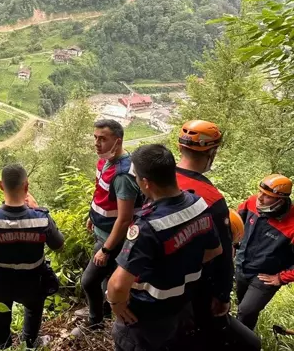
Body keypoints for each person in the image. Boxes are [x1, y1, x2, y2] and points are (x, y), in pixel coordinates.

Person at [107, 144, 223, 351]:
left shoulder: (148, 226)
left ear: (146, 182)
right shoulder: (199, 205)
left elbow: (117, 286)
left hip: (146, 317)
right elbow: (214, 251)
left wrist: (117, 305)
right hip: (182, 305)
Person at [175, 121, 260, 350]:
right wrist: (222, 295)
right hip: (197, 283)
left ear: (180, 147)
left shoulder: (159, 180)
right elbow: (222, 254)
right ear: (212, 151)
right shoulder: (211, 198)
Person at [0, 164, 64, 349]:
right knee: (33, 310)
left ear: (0, 185)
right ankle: (30, 343)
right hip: (32, 282)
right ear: (27, 186)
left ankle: (2, 346)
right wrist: (37, 209)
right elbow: (59, 246)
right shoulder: (41, 218)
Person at [82, 119, 141, 328]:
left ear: (118, 141)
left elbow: (125, 218)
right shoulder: (106, 161)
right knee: (107, 277)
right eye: (95, 138)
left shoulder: (123, 175)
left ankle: (95, 322)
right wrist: (93, 216)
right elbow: (102, 193)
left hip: (112, 239)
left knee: (88, 282)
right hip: (103, 230)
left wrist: (106, 250)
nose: (97, 143)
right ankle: (105, 312)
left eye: (103, 139)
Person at [236, 174, 294, 331]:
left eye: (267, 196)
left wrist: (281, 277)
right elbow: (235, 225)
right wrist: (232, 249)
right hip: (242, 266)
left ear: (280, 200)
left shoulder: (292, 223)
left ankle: (235, 343)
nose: (260, 198)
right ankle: (244, 339)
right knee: (244, 309)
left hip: (265, 276)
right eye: (260, 192)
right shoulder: (251, 203)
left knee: (246, 310)